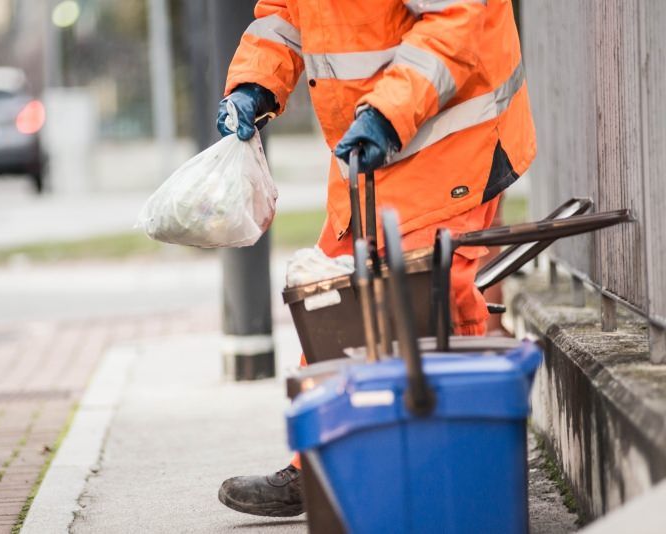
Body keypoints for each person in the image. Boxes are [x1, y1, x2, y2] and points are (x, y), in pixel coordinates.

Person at [216, 0, 535, 517]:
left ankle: (454, 466)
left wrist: (387, 112)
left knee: (428, 299)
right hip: (372, 141)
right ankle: (322, 465)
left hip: (449, 137)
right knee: (329, 296)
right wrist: (254, 85)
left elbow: (458, 18)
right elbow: (285, 16)